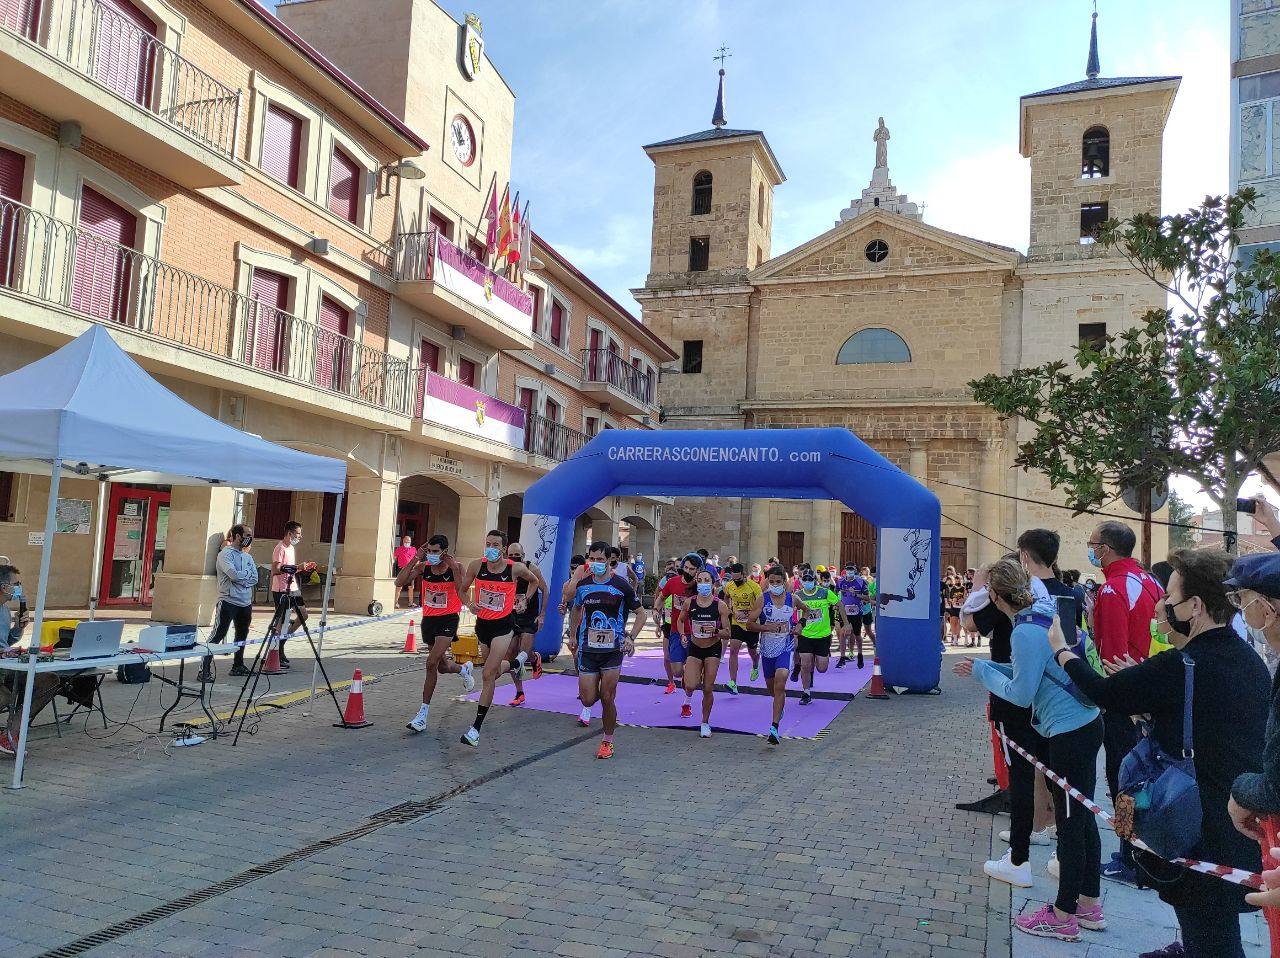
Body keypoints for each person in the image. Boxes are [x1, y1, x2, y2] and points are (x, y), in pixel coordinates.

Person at [1054, 548, 1268, 958]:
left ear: (1195, 605)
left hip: (1197, 820)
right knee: (1213, 923)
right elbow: (1214, 721)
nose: (1162, 607)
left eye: (1169, 598)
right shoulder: (1245, 659)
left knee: (1211, 930)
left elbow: (1102, 693)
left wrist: (1063, 651)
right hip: (1235, 819)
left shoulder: (1183, 663)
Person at [955, 558, 1105, 942]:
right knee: (1081, 817)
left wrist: (984, 673)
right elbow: (1031, 672)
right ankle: (1089, 903)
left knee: (1071, 825)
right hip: (1083, 723)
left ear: (993, 595)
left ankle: (1063, 914)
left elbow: (1021, 696)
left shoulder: (1022, 631)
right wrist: (987, 668)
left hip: (1070, 731)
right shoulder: (1040, 613)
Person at [1087, 520, 1164, 886]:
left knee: (1124, 780)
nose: (1091, 550)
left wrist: (1107, 696)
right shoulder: (1151, 582)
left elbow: (1112, 654)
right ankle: (1140, 852)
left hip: (1125, 700)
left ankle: (1129, 855)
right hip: (1152, 692)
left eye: (1093, 544)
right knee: (1144, 778)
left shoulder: (1113, 590)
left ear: (1106, 548)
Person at [0, 566, 97, 759]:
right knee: (4, 697)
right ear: (3, 586)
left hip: (8, 666)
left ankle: (12, 731)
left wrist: (19, 629)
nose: (19, 588)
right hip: (3, 666)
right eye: (16, 584)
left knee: (50, 680)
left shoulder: (4, 609)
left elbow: (7, 641)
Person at [456, 530, 540, 748]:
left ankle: (476, 728)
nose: (491, 548)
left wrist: (525, 600)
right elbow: (462, 590)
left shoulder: (515, 568)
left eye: (495, 545)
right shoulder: (476, 565)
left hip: (503, 626)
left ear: (503, 549)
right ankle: (516, 663)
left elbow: (535, 581)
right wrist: (469, 604)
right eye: (488, 544)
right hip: (483, 625)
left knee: (487, 674)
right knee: (490, 672)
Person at [566, 542, 645, 759]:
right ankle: (596, 697)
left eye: (600, 560)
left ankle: (607, 740)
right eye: (592, 559)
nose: (596, 563)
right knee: (588, 699)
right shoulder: (583, 585)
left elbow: (641, 614)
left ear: (609, 561)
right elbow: (576, 608)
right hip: (588, 649)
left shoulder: (622, 585)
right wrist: (572, 636)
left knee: (607, 697)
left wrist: (630, 638)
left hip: (613, 649)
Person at [396, 534, 476, 732]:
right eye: (429, 551)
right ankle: (463, 669)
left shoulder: (456, 567)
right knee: (441, 667)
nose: (431, 555)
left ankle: (422, 715)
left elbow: (461, 591)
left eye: (435, 552)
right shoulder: (424, 567)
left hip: (448, 619)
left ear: (444, 552)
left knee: (430, 662)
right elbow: (399, 581)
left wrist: (456, 568)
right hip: (429, 620)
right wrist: (416, 557)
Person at [745, 565, 805, 745]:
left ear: (785, 582)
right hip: (767, 650)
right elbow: (749, 624)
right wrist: (765, 627)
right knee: (772, 689)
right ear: (767, 582)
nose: (775, 585)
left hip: (785, 648)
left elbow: (807, 610)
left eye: (778, 582)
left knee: (780, 684)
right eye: (771, 582)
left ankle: (774, 728)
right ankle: (780, 707)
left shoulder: (792, 599)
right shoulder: (762, 600)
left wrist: (800, 624)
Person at [678, 568, 731, 737]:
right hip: (695, 647)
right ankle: (688, 686)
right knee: (691, 685)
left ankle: (705, 722)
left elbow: (728, 632)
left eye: (706, 580)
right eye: (699, 580)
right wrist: (682, 635)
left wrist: (715, 630)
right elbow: (680, 620)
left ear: (713, 583)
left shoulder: (720, 605)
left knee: (708, 688)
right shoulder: (689, 603)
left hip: (712, 649)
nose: (702, 584)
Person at [201, 524, 258, 679]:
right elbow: (233, 575)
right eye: (246, 535)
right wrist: (243, 576)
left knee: (242, 634)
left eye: (251, 535)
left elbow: (255, 578)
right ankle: (204, 669)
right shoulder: (225, 554)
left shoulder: (248, 557)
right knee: (218, 634)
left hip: (245, 602)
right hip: (228, 601)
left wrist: (242, 577)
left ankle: (238, 665)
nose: (249, 538)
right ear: (237, 536)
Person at [794, 568, 849, 705]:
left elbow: (840, 605)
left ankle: (814, 665)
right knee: (805, 663)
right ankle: (806, 692)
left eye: (810, 579)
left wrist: (846, 624)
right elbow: (792, 612)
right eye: (804, 579)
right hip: (805, 635)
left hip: (823, 635)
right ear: (801, 581)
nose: (807, 582)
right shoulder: (798, 595)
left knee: (822, 668)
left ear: (815, 581)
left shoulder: (825, 592)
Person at [504, 542, 546, 706]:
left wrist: (541, 615)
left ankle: (534, 658)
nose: (514, 559)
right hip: (512, 616)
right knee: (511, 655)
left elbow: (545, 589)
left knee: (524, 653)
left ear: (524, 555)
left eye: (518, 556)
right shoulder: (505, 568)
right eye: (511, 556)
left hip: (529, 616)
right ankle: (519, 692)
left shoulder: (532, 568)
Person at [270, 520, 315, 670]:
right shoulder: (280, 548)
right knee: (281, 621)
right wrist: (297, 567)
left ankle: (283, 641)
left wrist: (302, 568)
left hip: (293, 587)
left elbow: (291, 569)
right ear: (290, 533)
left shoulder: (291, 549)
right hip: (281, 589)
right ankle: (275, 652)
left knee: (303, 615)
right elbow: (276, 570)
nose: (300, 537)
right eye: (298, 534)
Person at [658, 553, 702, 695]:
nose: (688, 571)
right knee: (677, 671)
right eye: (686, 567)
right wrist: (655, 609)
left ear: (697, 570)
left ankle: (688, 698)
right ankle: (686, 676)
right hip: (676, 630)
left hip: (696, 633)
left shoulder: (701, 586)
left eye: (692, 569)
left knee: (693, 676)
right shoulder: (673, 582)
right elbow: (661, 597)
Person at [722, 562, 762, 695]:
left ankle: (756, 664)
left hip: (751, 625)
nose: (737, 582)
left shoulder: (754, 587)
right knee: (733, 651)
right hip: (736, 623)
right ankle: (733, 683)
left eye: (739, 579)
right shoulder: (729, 586)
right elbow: (726, 597)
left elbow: (760, 604)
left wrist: (753, 615)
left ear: (744, 575)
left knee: (752, 652)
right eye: (734, 579)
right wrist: (728, 609)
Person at [835, 563, 870, 669]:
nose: (849, 572)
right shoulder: (840, 581)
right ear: (845, 570)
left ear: (855, 571)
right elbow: (836, 593)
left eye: (852, 570)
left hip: (856, 612)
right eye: (848, 570)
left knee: (857, 635)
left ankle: (860, 655)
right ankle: (842, 658)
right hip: (844, 611)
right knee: (842, 634)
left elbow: (867, 597)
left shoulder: (861, 581)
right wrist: (837, 603)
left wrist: (856, 594)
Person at [393, 534, 417, 608]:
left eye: (408, 541)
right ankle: (395, 603)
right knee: (399, 587)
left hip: (410, 570)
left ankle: (410, 603)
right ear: (403, 541)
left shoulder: (413, 549)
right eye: (406, 541)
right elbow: (394, 558)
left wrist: (416, 567)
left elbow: (416, 559)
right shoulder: (399, 549)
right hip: (401, 570)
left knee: (411, 587)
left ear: (410, 542)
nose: (407, 543)